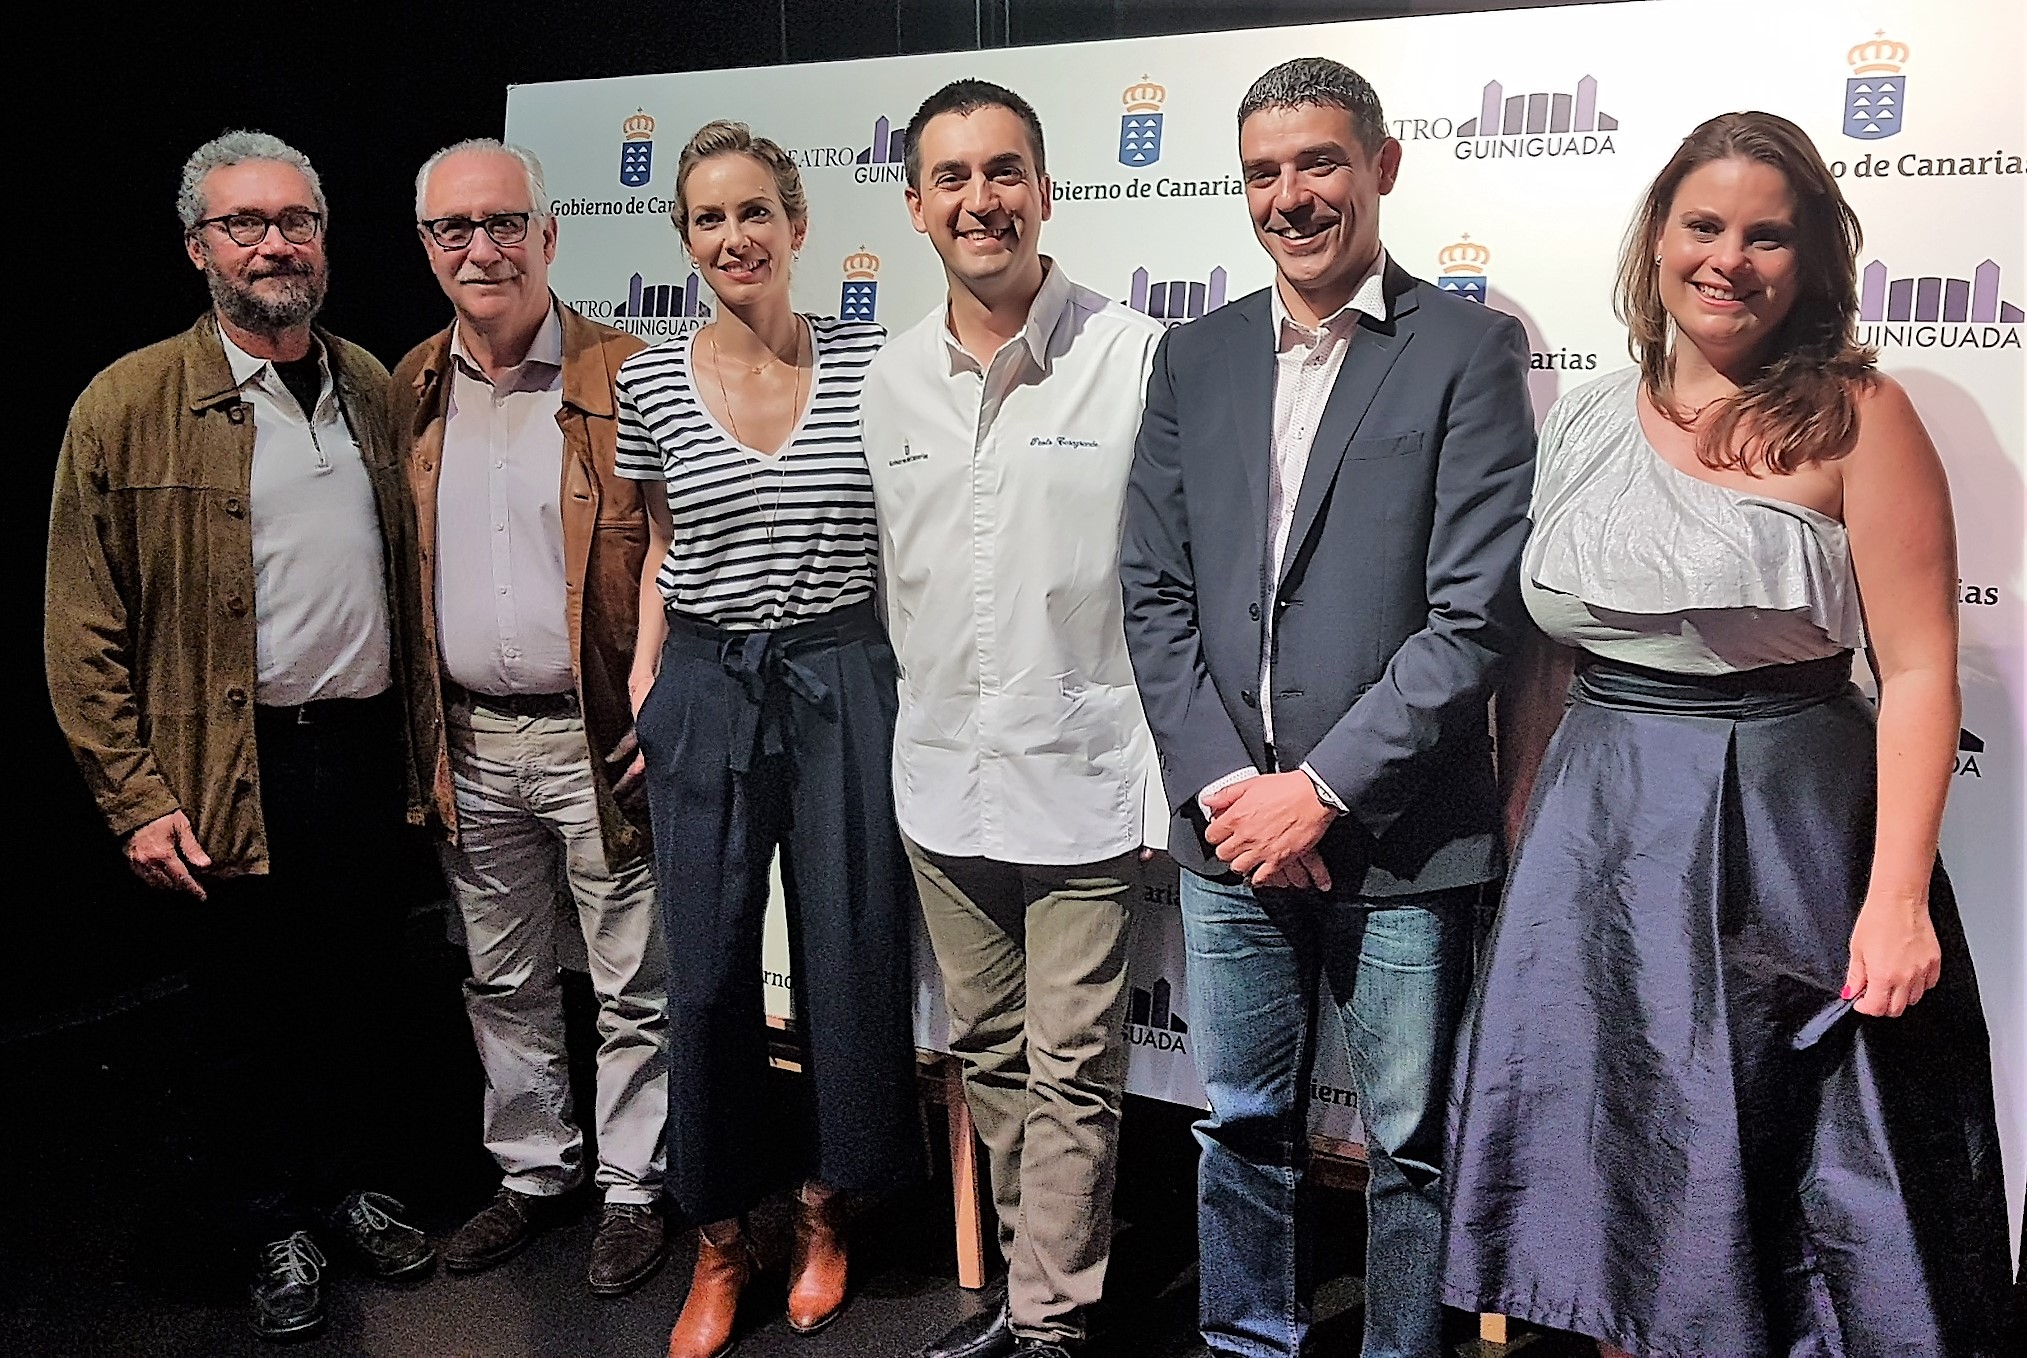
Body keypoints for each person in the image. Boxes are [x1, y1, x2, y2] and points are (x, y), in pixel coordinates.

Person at [1442, 111, 2013, 1358]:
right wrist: (1530, 833)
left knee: (1792, 1172)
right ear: (1655, 239)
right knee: (1613, 1169)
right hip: (1595, 831)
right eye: (1702, 226)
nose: (1728, 259)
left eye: (1766, 235)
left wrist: (1897, 896)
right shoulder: (1587, 416)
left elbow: (1916, 671)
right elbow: (1549, 653)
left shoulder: (1858, 417)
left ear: (1809, 261)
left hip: (1785, 828)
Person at [1120, 58, 1536, 1358]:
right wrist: (1226, 788)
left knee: (1410, 1142)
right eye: (1260, 171)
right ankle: (1248, 1335)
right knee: (1238, 1119)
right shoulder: (1190, 358)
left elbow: (1475, 614)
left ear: (1379, 167)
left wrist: (1319, 789)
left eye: (1316, 163)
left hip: (1402, 829)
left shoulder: (1469, 350)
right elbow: (1148, 591)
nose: (1288, 196)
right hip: (1228, 824)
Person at [44, 130, 432, 1341]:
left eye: (296, 221)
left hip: (361, 752)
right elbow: (78, 624)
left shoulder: (372, 381)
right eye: (245, 224)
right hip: (225, 767)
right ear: (197, 248)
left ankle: (343, 1186)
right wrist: (131, 794)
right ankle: (268, 1218)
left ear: (323, 236)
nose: (275, 243)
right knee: (240, 1013)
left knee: (358, 989)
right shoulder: (125, 402)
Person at [863, 80, 1166, 1358]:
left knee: (1072, 1060)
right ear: (917, 203)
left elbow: (1174, 578)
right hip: (940, 777)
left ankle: (1050, 1313)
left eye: (1003, 173)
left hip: (1083, 772)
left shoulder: (1134, 354)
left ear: (1045, 190)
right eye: (951, 177)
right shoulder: (885, 378)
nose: (978, 200)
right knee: (985, 1049)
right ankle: (1032, 1273)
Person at [614, 120, 921, 1358]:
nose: (732, 237)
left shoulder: (874, 366)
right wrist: (645, 675)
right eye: (705, 218)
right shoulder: (643, 381)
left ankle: (825, 1208)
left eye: (753, 211)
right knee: (702, 976)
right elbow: (653, 539)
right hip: (706, 682)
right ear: (684, 239)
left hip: (844, 676)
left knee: (851, 957)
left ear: (796, 225)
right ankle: (720, 1236)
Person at [391, 139, 671, 1296]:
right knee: (500, 977)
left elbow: (673, 543)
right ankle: (532, 1170)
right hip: (466, 739)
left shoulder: (628, 371)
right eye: (454, 230)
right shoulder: (406, 385)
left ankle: (636, 1186)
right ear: (426, 249)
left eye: (505, 223)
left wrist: (665, 691)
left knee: (632, 978)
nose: (482, 248)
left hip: (596, 735)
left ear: (551, 236)